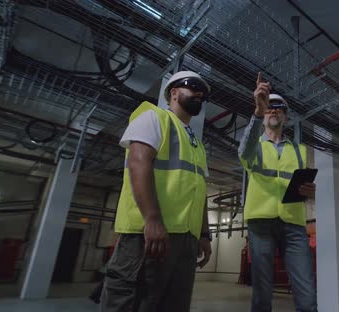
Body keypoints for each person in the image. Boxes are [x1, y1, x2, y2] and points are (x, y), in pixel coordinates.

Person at [100, 71, 213, 312]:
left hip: (185, 240)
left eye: (203, 93)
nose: (199, 93)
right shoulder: (153, 117)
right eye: (192, 86)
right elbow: (138, 163)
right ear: (173, 93)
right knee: (132, 302)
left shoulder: (197, 144)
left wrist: (204, 234)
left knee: (173, 304)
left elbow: (199, 190)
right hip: (149, 235)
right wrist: (152, 219)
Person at [238, 72, 317, 312]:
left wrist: (310, 190)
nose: (273, 111)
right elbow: (244, 153)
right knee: (262, 292)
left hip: (293, 224)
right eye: (269, 108)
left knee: (307, 291)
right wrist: (257, 111)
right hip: (260, 223)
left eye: (279, 108)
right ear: (264, 115)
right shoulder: (254, 145)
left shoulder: (300, 150)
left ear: (285, 116)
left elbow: (301, 185)